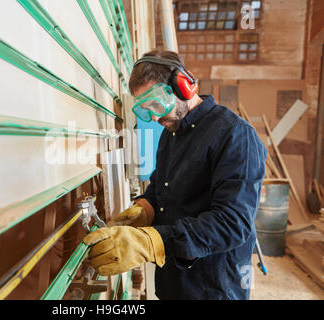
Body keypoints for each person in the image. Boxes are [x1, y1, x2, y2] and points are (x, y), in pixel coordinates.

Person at [83, 49, 267, 300]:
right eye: (147, 109)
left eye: (157, 104)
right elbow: (161, 184)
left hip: (212, 288)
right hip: (173, 284)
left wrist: (152, 242)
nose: (156, 116)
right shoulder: (171, 134)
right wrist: (146, 207)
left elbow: (233, 223)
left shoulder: (235, 135)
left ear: (184, 85)